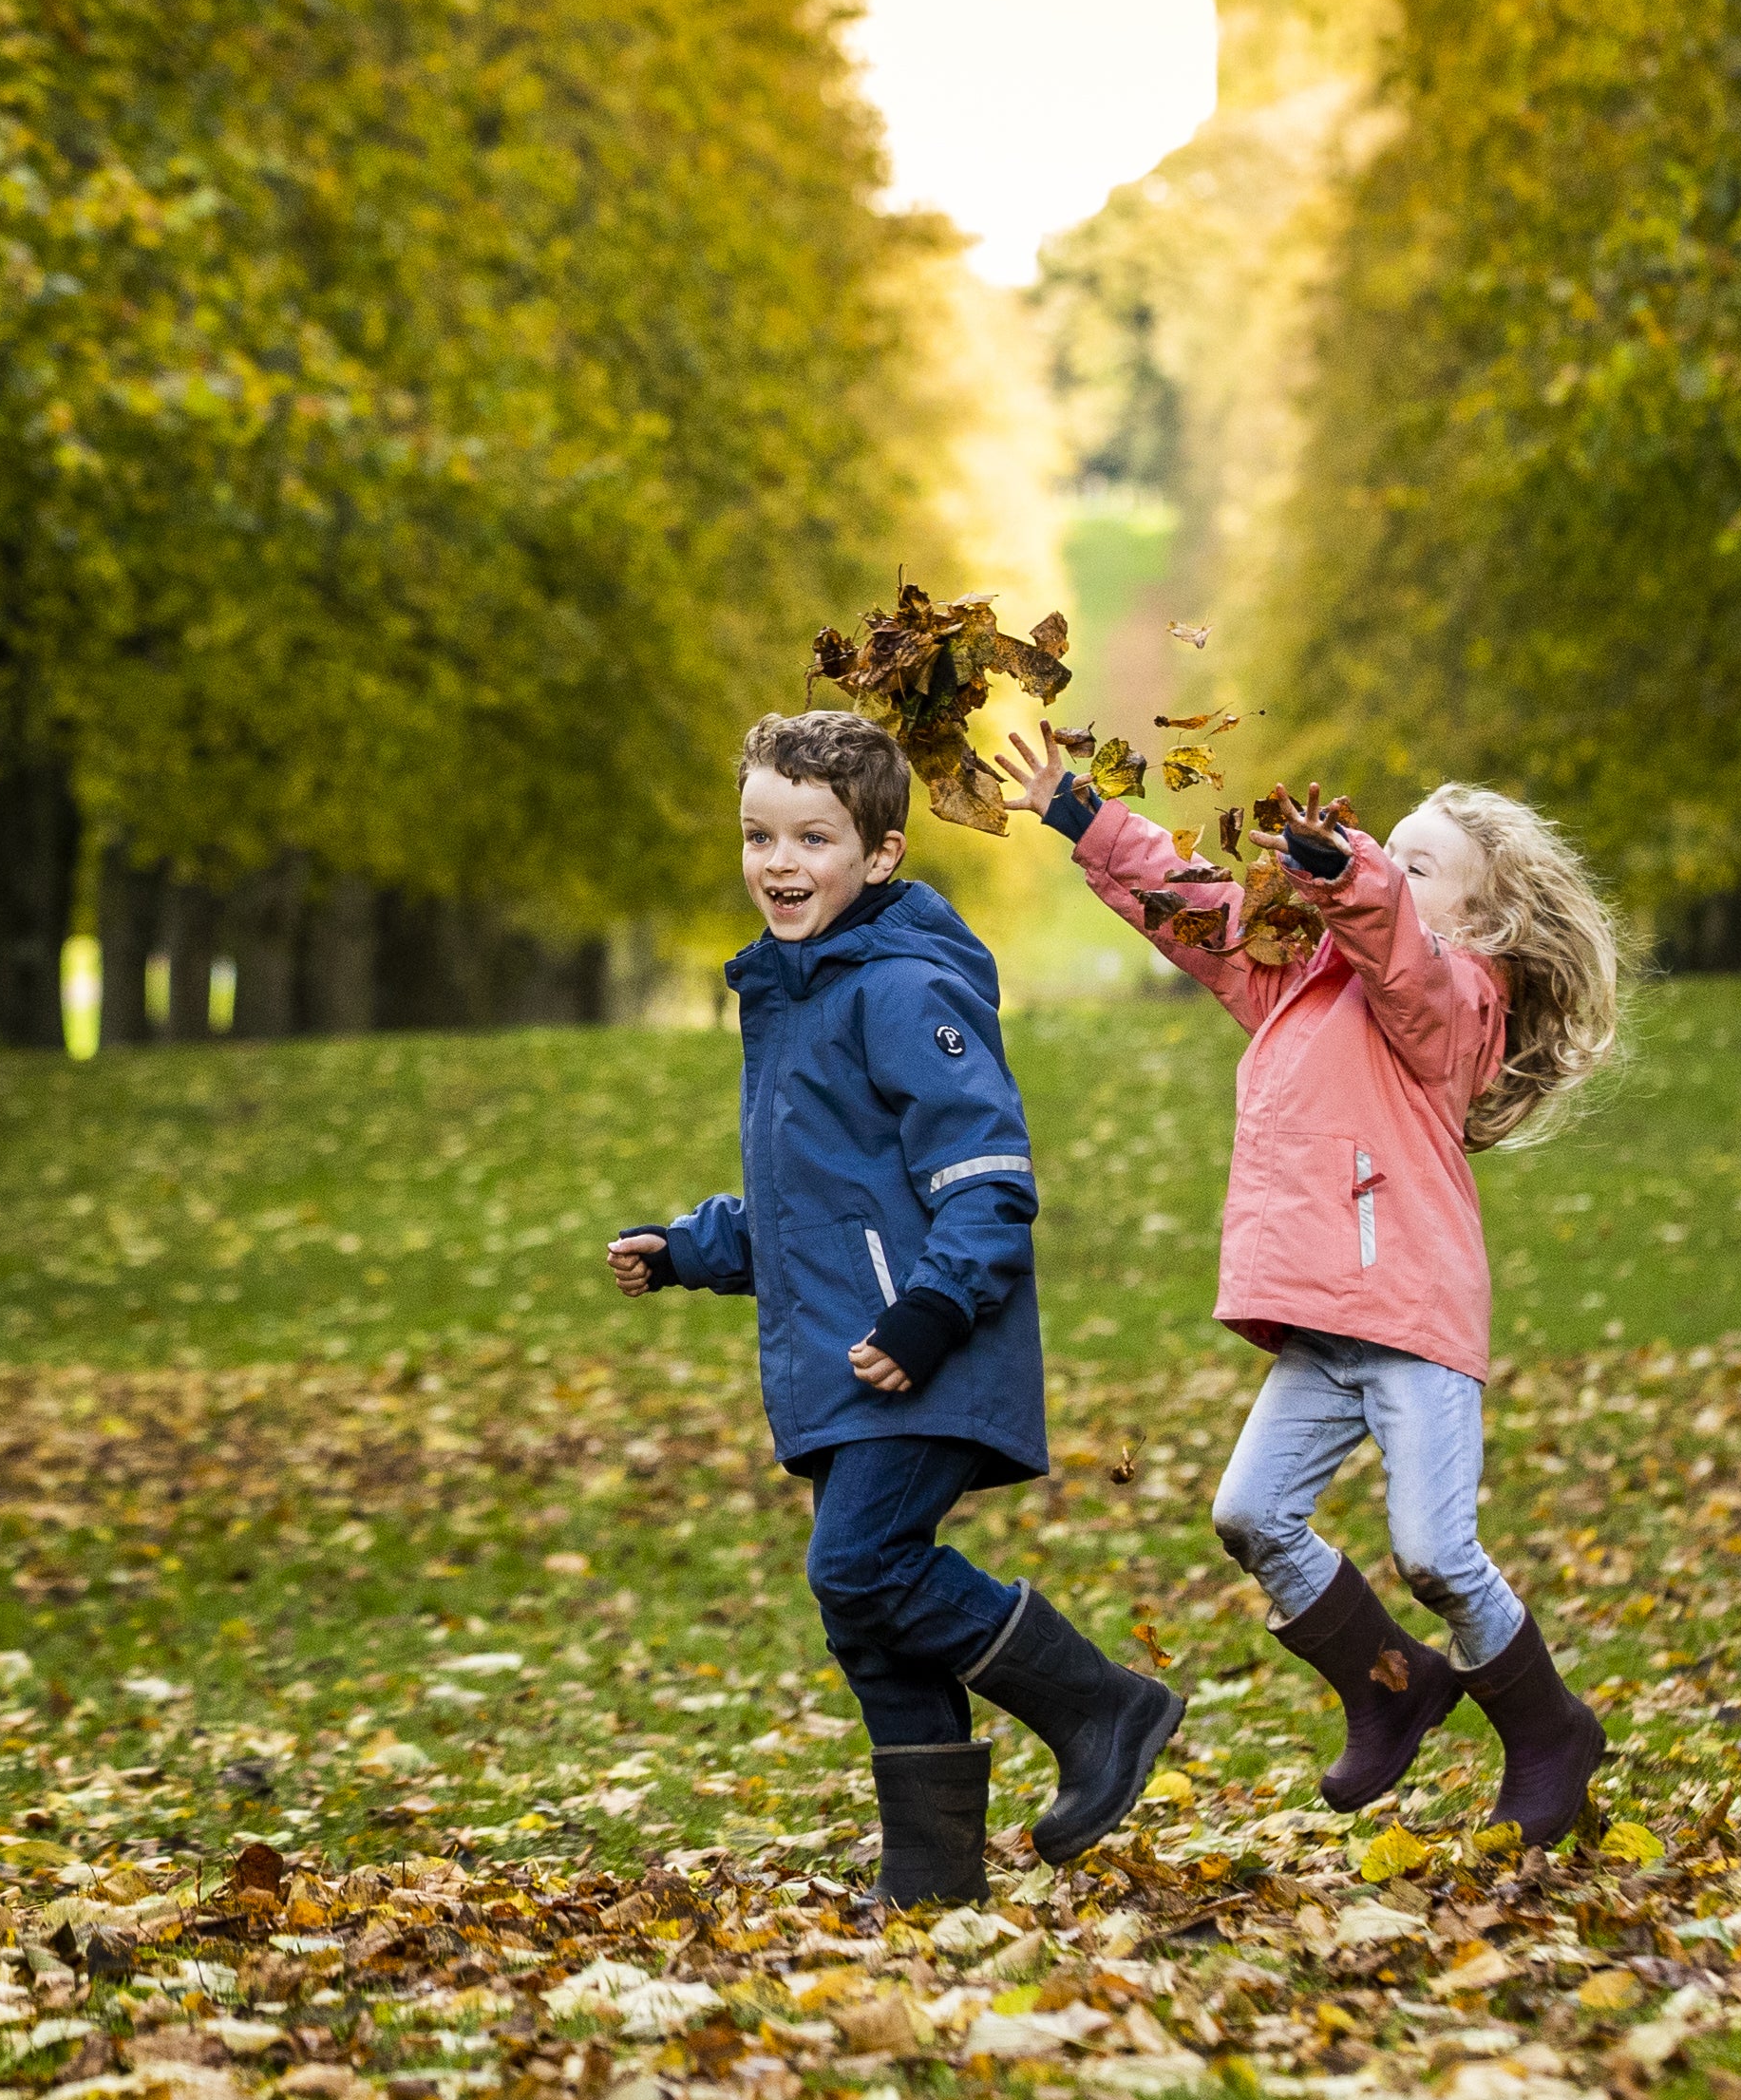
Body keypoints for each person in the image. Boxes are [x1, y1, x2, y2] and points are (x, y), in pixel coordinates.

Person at [994, 731, 1625, 1847]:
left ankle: (1547, 1731)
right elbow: (1196, 907)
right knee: (1249, 1513)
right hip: (1325, 1322)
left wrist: (1354, 878)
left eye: (1415, 864)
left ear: (1477, 920)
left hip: (1414, 1318)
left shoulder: (1459, 1001)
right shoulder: (1298, 976)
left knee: (1435, 1552)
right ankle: (1390, 1684)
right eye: (1389, 852)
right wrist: (1085, 815)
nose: (1383, 863)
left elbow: (1407, 961)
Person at [605, 709, 1184, 1909]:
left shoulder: (902, 985)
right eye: (760, 835)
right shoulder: (800, 993)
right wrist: (693, 1248)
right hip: (848, 1358)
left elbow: (988, 1175)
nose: (779, 862)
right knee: (866, 1618)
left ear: (880, 856)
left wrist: (929, 1314)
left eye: (813, 837)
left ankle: (1102, 1707)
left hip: (923, 1352)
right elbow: (811, 1200)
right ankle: (931, 1880)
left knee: (860, 1566)